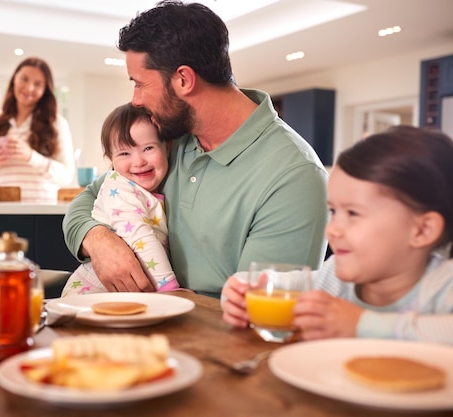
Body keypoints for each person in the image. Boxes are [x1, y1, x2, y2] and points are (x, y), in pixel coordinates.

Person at [62, 1, 328, 297]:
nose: (135, 100)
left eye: (140, 84)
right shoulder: (168, 139)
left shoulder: (295, 177)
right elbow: (88, 199)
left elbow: (263, 310)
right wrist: (99, 241)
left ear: (184, 80)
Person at [221, 126, 453, 345]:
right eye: (333, 211)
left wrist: (362, 324)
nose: (332, 229)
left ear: (422, 230)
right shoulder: (335, 278)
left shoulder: (444, 285)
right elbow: (268, 283)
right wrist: (240, 293)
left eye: (353, 213)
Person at [61, 103, 180, 296]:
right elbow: (140, 237)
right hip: (93, 293)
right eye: (124, 153)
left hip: (125, 291)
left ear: (167, 147)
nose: (138, 161)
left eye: (148, 148)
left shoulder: (144, 191)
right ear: (111, 159)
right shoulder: (120, 189)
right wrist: (170, 289)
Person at [0, 57, 74, 203]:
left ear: (45, 90)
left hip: (42, 209)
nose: (29, 88)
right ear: (14, 79)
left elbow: (66, 177)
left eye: (38, 84)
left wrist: (30, 156)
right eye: (24, 79)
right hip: (2, 207)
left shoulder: (57, 123)